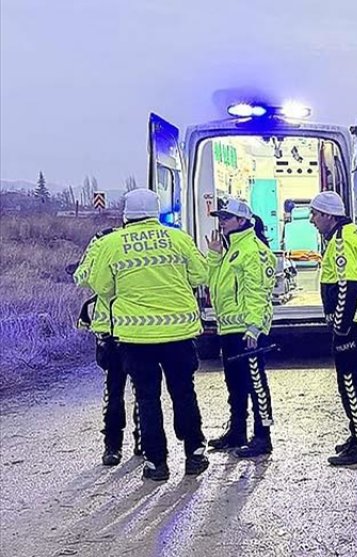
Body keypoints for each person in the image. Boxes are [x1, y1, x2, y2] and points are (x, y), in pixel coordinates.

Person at [87, 189, 209, 481]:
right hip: (179, 333)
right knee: (183, 392)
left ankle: (157, 464)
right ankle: (194, 453)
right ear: (156, 212)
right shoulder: (178, 238)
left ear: (127, 215)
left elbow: (101, 286)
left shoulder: (112, 244)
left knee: (147, 398)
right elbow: (200, 275)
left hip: (136, 337)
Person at [309, 191, 357, 466]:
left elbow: (347, 287)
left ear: (329, 216)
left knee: (351, 384)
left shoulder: (341, 242)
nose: (311, 220)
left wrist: (340, 327)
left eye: (315, 214)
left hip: (355, 325)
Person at [206, 199, 277, 458]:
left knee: (256, 384)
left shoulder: (253, 250)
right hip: (229, 329)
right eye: (220, 217)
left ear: (243, 221)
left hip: (247, 331)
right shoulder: (231, 250)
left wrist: (254, 327)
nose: (221, 221)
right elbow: (212, 283)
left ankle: (263, 436)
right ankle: (237, 432)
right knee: (234, 384)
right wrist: (214, 256)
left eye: (226, 217)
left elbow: (256, 292)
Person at [72, 227, 141, 466]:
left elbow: (81, 277)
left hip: (112, 330)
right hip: (140, 328)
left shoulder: (102, 241)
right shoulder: (142, 241)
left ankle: (112, 447)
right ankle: (141, 441)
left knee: (114, 390)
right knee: (143, 390)